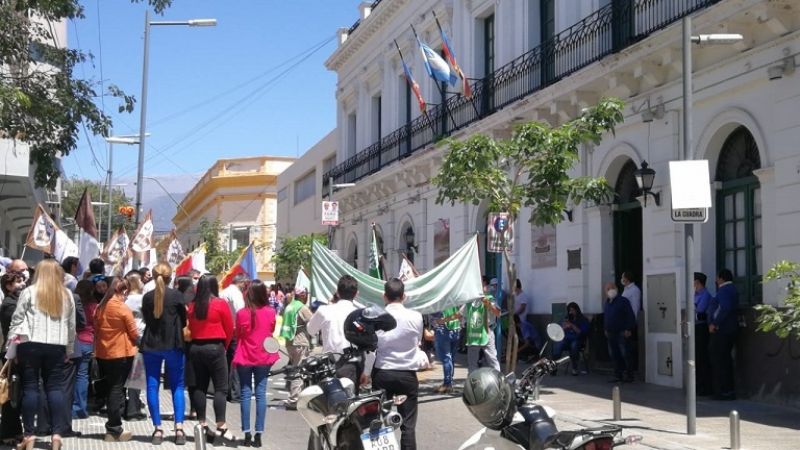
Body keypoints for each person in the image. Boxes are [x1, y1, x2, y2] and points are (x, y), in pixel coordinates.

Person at [8, 259, 76, 450]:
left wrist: (10, 348)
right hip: (56, 345)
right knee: (55, 388)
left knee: (30, 388)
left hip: (29, 343)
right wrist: (69, 349)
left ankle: (29, 435)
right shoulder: (66, 294)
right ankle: (56, 435)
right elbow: (71, 326)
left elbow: (17, 319)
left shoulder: (29, 292)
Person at [366, 278, 425, 450]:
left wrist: (366, 372)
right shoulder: (416, 317)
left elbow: (372, 347)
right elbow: (417, 342)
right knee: (408, 426)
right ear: (404, 296)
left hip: (382, 372)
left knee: (379, 422)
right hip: (407, 374)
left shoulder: (376, 317)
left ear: (384, 296)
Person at [141, 263, 188, 445]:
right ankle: (179, 428)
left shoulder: (147, 297)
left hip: (151, 345)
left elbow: (146, 319)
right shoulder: (177, 296)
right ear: (170, 277)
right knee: (177, 385)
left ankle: (158, 429)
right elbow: (183, 322)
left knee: (152, 386)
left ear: (153, 277)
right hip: (173, 344)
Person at [187, 275, 234, 445]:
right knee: (220, 388)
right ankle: (221, 423)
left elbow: (191, 328)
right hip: (215, 347)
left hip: (196, 348)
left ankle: (202, 424)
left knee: (199, 386)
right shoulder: (220, 303)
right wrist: (224, 347)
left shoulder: (192, 305)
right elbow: (229, 328)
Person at [233, 280, 279, 447]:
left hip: (245, 355)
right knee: (261, 394)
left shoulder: (241, 313)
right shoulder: (270, 311)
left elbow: (237, 333)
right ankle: (259, 434)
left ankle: (246, 434)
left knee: (245, 393)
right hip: (263, 356)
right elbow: (271, 330)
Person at [94, 278, 139, 442]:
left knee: (111, 387)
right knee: (116, 389)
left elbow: (96, 329)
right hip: (121, 353)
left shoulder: (101, 307)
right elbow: (133, 332)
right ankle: (114, 429)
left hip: (104, 352)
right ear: (124, 291)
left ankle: (113, 427)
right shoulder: (122, 308)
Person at [307, 275, 360, 386]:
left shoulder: (324, 310)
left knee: (327, 401)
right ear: (356, 294)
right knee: (350, 401)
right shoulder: (360, 314)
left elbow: (310, 330)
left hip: (328, 365)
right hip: (351, 365)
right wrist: (367, 372)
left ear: (337, 292)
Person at [0, 272, 25, 446]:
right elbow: (13, 332)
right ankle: (6, 432)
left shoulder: (15, 302)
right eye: (18, 282)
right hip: (11, 353)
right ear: (8, 286)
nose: (22, 284)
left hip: (15, 352)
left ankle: (16, 430)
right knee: (9, 394)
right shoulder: (10, 305)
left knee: (16, 393)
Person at [279, 286, 313, 409]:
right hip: (300, 341)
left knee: (295, 369)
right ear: (303, 295)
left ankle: (295, 395)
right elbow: (313, 322)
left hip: (290, 342)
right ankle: (294, 400)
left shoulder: (289, 306)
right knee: (298, 371)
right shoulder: (302, 308)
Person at [708, 269, 738, 401]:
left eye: (717, 277)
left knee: (719, 360)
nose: (715, 280)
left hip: (722, 330)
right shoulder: (732, 289)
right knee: (725, 359)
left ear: (721, 278)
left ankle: (723, 391)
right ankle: (727, 390)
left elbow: (724, 307)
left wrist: (714, 323)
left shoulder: (724, 290)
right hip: (729, 329)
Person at [461, 278, 501, 373]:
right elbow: (461, 313)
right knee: (472, 362)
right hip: (474, 334)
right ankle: (472, 383)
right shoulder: (470, 300)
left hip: (487, 332)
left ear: (486, 287)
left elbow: (498, 313)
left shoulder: (490, 299)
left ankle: (499, 381)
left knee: (492, 359)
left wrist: (487, 303)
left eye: (482, 285)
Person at [122, 271, 146, 421]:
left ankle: (125, 407)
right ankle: (133, 409)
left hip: (125, 339)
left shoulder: (124, 300)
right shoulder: (141, 299)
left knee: (126, 375)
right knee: (136, 376)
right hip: (140, 338)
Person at [71, 280, 96, 419]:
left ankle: (70, 407)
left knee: (70, 376)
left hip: (74, 340)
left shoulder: (72, 302)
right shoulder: (94, 307)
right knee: (82, 376)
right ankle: (80, 408)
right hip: (88, 341)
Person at [603, 281, 636, 383]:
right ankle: (618, 375)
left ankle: (629, 375)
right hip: (611, 333)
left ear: (616, 289)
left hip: (622, 332)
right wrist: (605, 329)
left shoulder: (623, 301)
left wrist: (628, 329)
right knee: (614, 355)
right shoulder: (607, 303)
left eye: (612, 288)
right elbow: (607, 317)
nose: (610, 290)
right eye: (608, 289)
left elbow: (630, 316)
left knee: (625, 354)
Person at [221, 274, 247, 404]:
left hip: (225, 330)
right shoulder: (236, 294)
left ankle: (224, 390)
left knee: (227, 361)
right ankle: (235, 393)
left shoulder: (224, 292)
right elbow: (241, 312)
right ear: (241, 283)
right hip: (235, 330)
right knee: (235, 363)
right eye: (245, 284)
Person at [552, 302, 590, 375]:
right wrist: (564, 327)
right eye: (569, 311)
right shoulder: (568, 318)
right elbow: (560, 330)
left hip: (578, 340)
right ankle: (554, 367)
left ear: (576, 310)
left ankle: (574, 368)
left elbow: (581, 333)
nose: (571, 312)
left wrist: (572, 325)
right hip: (567, 340)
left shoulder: (583, 319)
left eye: (572, 310)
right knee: (558, 346)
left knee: (574, 346)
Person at [431, 303, 460, 394]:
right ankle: (449, 382)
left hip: (443, 328)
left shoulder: (440, 294)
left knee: (446, 358)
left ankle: (447, 384)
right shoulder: (454, 295)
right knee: (451, 358)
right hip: (456, 328)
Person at [694, 272, 713, 396]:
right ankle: (697, 386)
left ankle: (704, 387)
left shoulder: (705, 295)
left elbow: (700, 312)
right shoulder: (695, 294)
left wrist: (693, 312)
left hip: (702, 328)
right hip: (695, 326)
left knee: (702, 358)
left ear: (697, 282)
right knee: (696, 358)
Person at [620, 271, 641, 379]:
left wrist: (630, 325)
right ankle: (625, 371)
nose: (621, 279)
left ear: (627, 278)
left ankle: (630, 373)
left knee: (628, 350)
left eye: (623, 277)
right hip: (623, 323)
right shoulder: (626, 290)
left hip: (629, 324)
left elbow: (635, 308)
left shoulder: (634, 290)